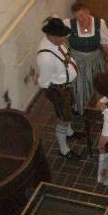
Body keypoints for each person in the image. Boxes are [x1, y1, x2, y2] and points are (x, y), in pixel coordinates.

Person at [36, 17, 81, 161]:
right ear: (51, 36)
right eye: (61, 36)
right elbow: (44, 82)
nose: (64, 38)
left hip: (65, 86)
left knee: (68, 110)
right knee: (63, 118)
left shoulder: (56, 42)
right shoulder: (45, 57)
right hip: (58, 90)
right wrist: (56, 94)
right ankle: (63, 148)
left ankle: (69, 132)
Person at [63, 2, 108, 115]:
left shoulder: (99, 23)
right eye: (77, 18)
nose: (80, 20)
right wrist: (67, 53)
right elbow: (62, 40)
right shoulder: (68, 24)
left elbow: (105, 45)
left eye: (82, 16)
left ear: (87, 12)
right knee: (80, 88)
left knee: (98, 85)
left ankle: (98, 109)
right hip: (78, 62)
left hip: (95, 61)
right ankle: (82, 110)